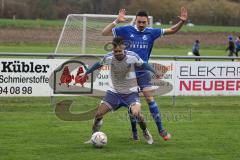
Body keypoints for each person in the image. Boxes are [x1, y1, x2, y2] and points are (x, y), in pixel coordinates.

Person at [102, 7, 188, 141]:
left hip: (142, 72)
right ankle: (135, 133)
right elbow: (104, 32)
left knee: (149, 99)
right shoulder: (125, 29)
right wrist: (116, 21)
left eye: (144, 22)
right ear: (135, 21)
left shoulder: (151, 32)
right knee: (131, 104)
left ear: (147, 22)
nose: (141, 24)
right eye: (139, 22)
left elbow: (172, 30)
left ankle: (161, 130)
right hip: (127, 73)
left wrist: (182, 22)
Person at [84, 37, 160, 144]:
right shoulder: (109, 57)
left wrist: (154, 71)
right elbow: (98, 64)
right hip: (114, 93)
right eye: (116, 51)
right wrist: (87, 72)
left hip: (130, 93)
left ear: (123, 47)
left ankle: (145, 131)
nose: (118, 53)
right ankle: (93, 137)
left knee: (137, 114)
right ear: (113, 49)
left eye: (120, 51)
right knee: (98, 114)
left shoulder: (132, 56)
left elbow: (144, 64)